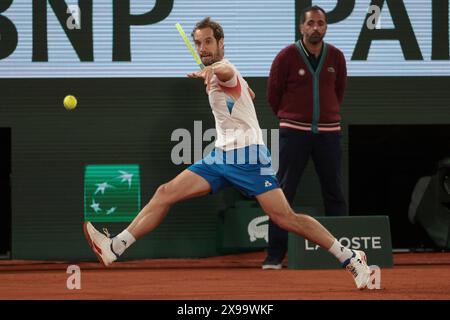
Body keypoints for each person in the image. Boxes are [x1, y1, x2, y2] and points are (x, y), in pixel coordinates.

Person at [83, 17, 370, 289]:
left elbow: (226, 73)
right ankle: (115, 247)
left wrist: (212, 71)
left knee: (286, 218)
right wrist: (232, 86)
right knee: (165, 192)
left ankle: (349, 256)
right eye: (198, 43)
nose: (203, 48)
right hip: (220, 156)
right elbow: (244, 92)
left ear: (221, 43)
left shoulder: (224, 69)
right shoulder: (228, 77)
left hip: (247, 158)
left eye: (208, 42)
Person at [263, 6, 348, 270]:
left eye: (320, 23)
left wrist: (326, 115)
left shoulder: (336, 57)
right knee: (283, 193)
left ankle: (343, 255)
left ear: (326, 27)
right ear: (301, 27)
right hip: (293, 132)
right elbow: (273, 94)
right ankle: (275, 256)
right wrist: (290, 117)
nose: (315, 28)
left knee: (334, 192)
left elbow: (338, 91)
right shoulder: (286, 56)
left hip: (328, 133)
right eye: (310, 23)